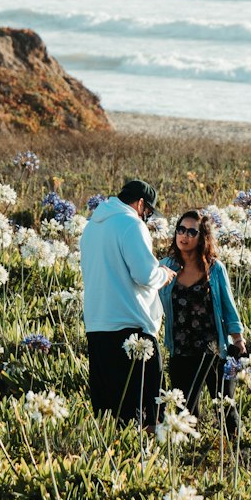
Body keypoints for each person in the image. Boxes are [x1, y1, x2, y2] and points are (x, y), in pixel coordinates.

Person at [79, 178, 176, 426]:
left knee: (111, 412)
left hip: (97, 325)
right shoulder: (131, 224)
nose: (148, 218)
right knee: (145, 411)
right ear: (140, 203)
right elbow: (145, 274)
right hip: (131, 326)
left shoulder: (91, 227)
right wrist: (163, 274)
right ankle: (146, 460)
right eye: (149, 212)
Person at [159, 209, 245, 434]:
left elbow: (228, 306)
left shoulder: (215, 268)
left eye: (191, 232)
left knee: (226, 408)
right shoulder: (165, 267)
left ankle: (236, 451)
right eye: (180, 229)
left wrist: (238, 338)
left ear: (202, 238)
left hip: (214, 351)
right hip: (181, 350)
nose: (184, 236)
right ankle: (188, 458)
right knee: (184, 411)